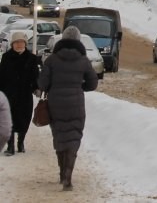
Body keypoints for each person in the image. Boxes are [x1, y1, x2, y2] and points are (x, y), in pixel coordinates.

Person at [38, 25, 98, 191]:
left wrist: (53, 87)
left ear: (62, 39)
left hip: (55, 103)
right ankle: (68, 176)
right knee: (73, 137)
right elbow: (93, 84)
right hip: (76, 103)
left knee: (59, 135)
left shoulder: (52, 59)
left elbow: (42, 83)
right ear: (78, 40)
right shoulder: (84, 60)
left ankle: (61, 173)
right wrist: (78, 87)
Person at [0, 30, 40, 155]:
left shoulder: (32, 58)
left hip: (25, 95)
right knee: (9, 119)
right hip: (9, 94)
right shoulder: (6, 57)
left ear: (25, 43)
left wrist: (36, 87)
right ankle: (10, 146)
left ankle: (21, 142)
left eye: (21, 42)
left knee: (24, 119)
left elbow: (35, 76)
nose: (19, 44)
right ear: (12, 44)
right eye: (16, 42)